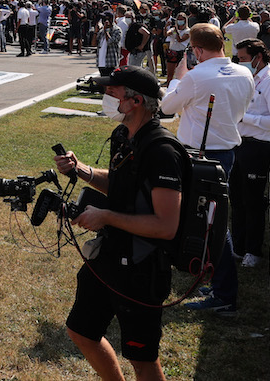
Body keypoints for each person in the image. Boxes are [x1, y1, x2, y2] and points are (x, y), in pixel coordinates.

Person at [54, 66, 184, 381]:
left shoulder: (163, 152)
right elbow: (121, 184)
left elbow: (166, 225)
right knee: (81, 331)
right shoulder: (123, 136)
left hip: (142, 266)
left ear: (136, 101)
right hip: (110, 254)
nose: (108, 97)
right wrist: (81, 170)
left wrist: (107, 216)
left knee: (141, 358)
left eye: (114, 93)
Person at [162, 23, 253, 317]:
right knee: (211, 220)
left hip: (199, 155)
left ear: (197, 50)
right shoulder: (244, 72)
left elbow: (166, 107)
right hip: (227, 150)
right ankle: (217, 283)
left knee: (211, 224)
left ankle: (224, 293)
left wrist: (179, 78)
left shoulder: (198, 75)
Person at [230, 38, 270, 269]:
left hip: (258, 148)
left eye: (243, 59)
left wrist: (248, 119)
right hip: (239, 144)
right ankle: (238, 246)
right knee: (237, 198)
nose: (240, 63)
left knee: (253, 201)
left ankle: (253, 251)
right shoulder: (246, 80)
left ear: (258, 57)